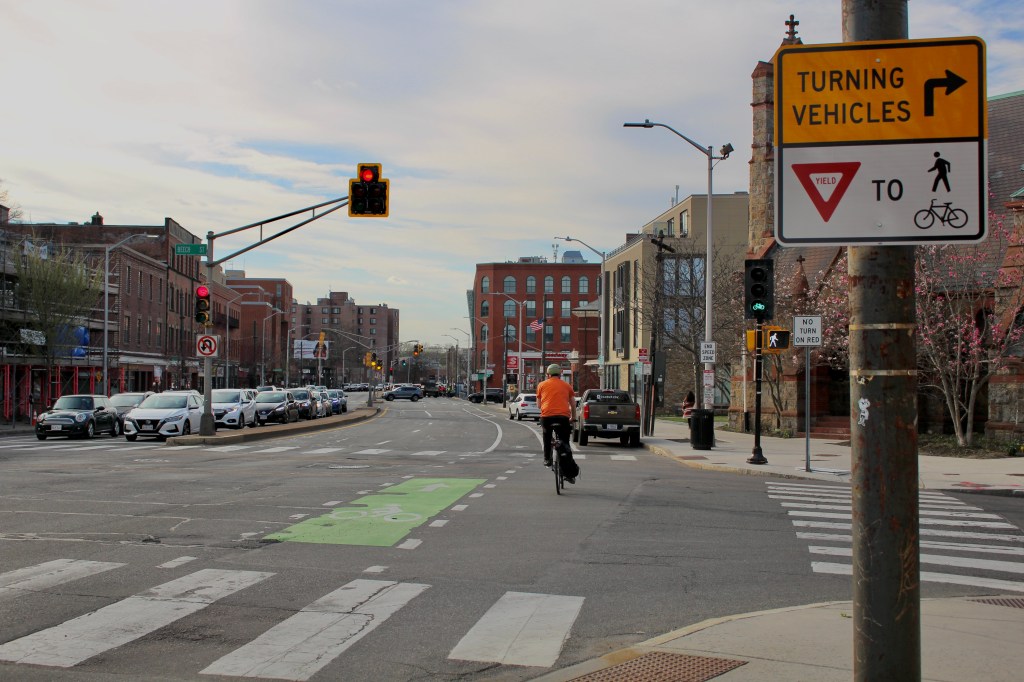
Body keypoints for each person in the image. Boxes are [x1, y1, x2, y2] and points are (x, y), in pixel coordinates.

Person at [536, 363, 578, 482]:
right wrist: (573, 418)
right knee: (565, 442)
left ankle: (547, 459)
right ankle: (568, 473)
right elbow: (573, 404)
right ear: (560, 374)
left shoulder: (541, 385)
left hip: (547, 417)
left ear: (548, 374)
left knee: (547, 436)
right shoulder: (567, 385)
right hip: (563, 417)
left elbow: (539, 405)